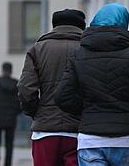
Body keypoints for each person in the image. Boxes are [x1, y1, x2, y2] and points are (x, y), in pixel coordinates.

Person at [56, 3, 129, 166]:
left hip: (91, 138)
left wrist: (87, 109)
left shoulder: (79, 55)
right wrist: (128, 107)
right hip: (127, 137)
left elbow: (62, 96)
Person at [18, 9, 86, 166]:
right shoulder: (88, 49)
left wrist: (36, 113)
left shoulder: (37, 49)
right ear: (82, 26)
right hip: (79, 131)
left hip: (45, 130)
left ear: (54, 25)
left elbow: (25, 89)